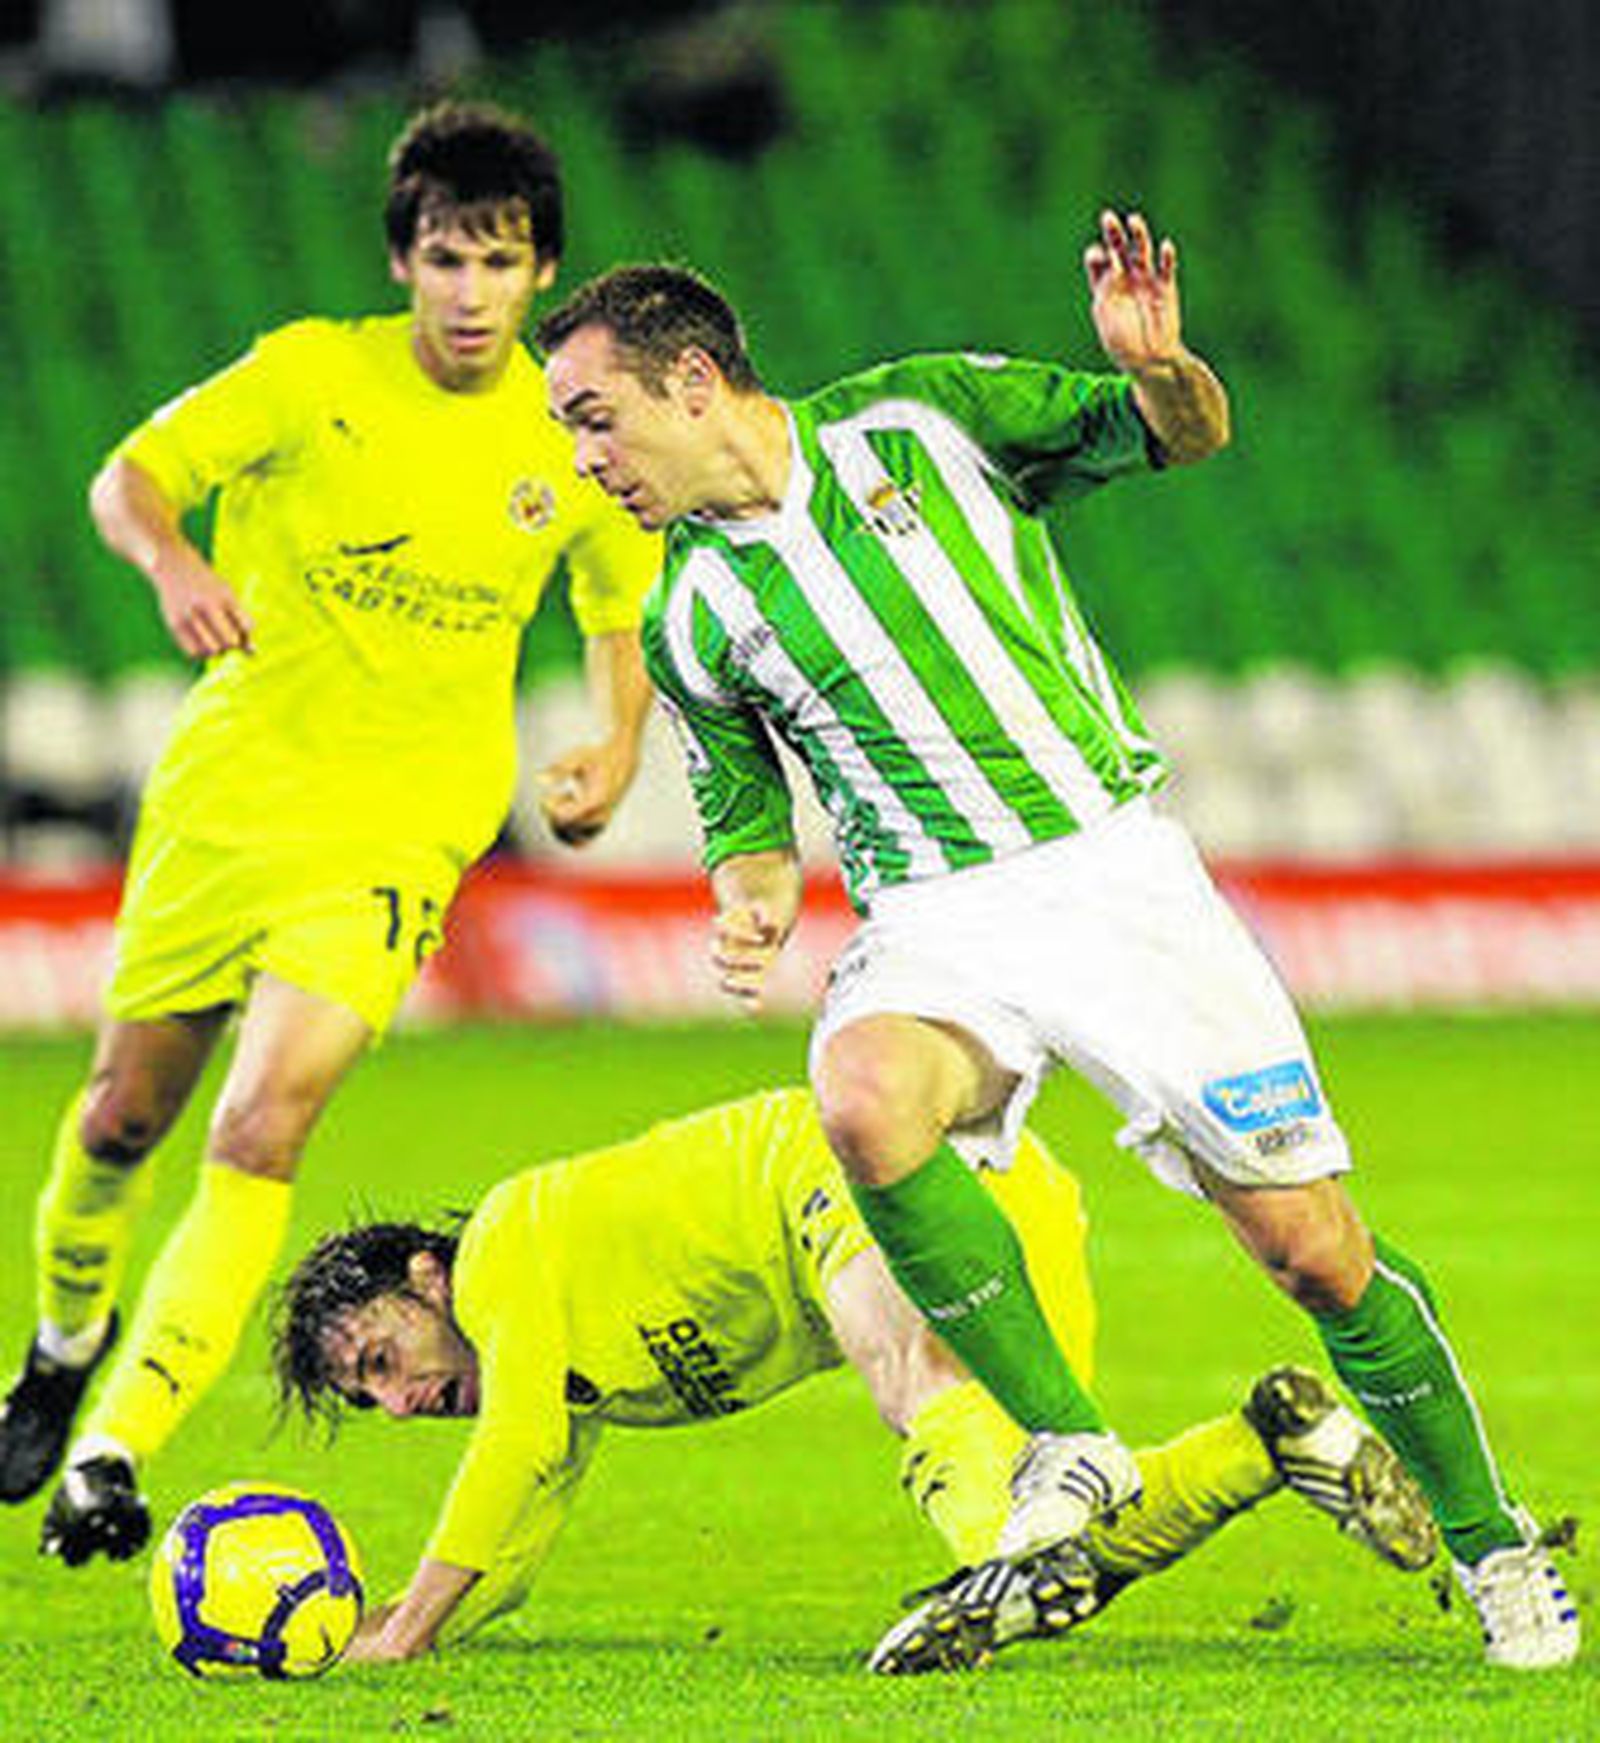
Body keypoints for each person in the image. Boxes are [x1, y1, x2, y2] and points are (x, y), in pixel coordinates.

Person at [530, 220, 1580, 1672]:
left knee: (1313, 1250)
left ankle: (1496, 1546)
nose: (585, 457)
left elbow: (1176, 437)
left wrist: (1163, 371)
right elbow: (745, 812)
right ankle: (1072, 1443)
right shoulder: (690, 614)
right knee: (863, 1095)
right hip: (931, 919)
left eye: (595, 416)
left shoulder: (924, 417)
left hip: (1113, 876)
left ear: (694, 379)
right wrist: (750, 895)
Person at [0, 100, 661, 1566]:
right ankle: (61, 1338)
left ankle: (115, 1446)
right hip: (231, 799)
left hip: (400, 832)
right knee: (122, 1115)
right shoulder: (311, 374)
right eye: (446, 259)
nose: (473, 291)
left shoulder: (572, 430)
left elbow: (619, 603)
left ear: (542, 270)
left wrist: (615, 739)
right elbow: (130, 476)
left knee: (260, 1124)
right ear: (405, 261)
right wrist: (172, 560)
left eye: (500, 261)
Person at [271, 1088, 1436, 1666]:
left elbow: (511, 1451)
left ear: (426, 1276)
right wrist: (408, 1626)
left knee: (904, 1378)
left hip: (865, 1178)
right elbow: (517, 1534)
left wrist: (411, 1626)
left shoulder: (505, 1254)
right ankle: (1270, 1441)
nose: (397, 1400)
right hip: (1021, 1192)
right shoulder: (550, 1363)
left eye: (381, 1361)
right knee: (1074, 1511)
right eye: (369, 1402)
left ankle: (989, 1578)